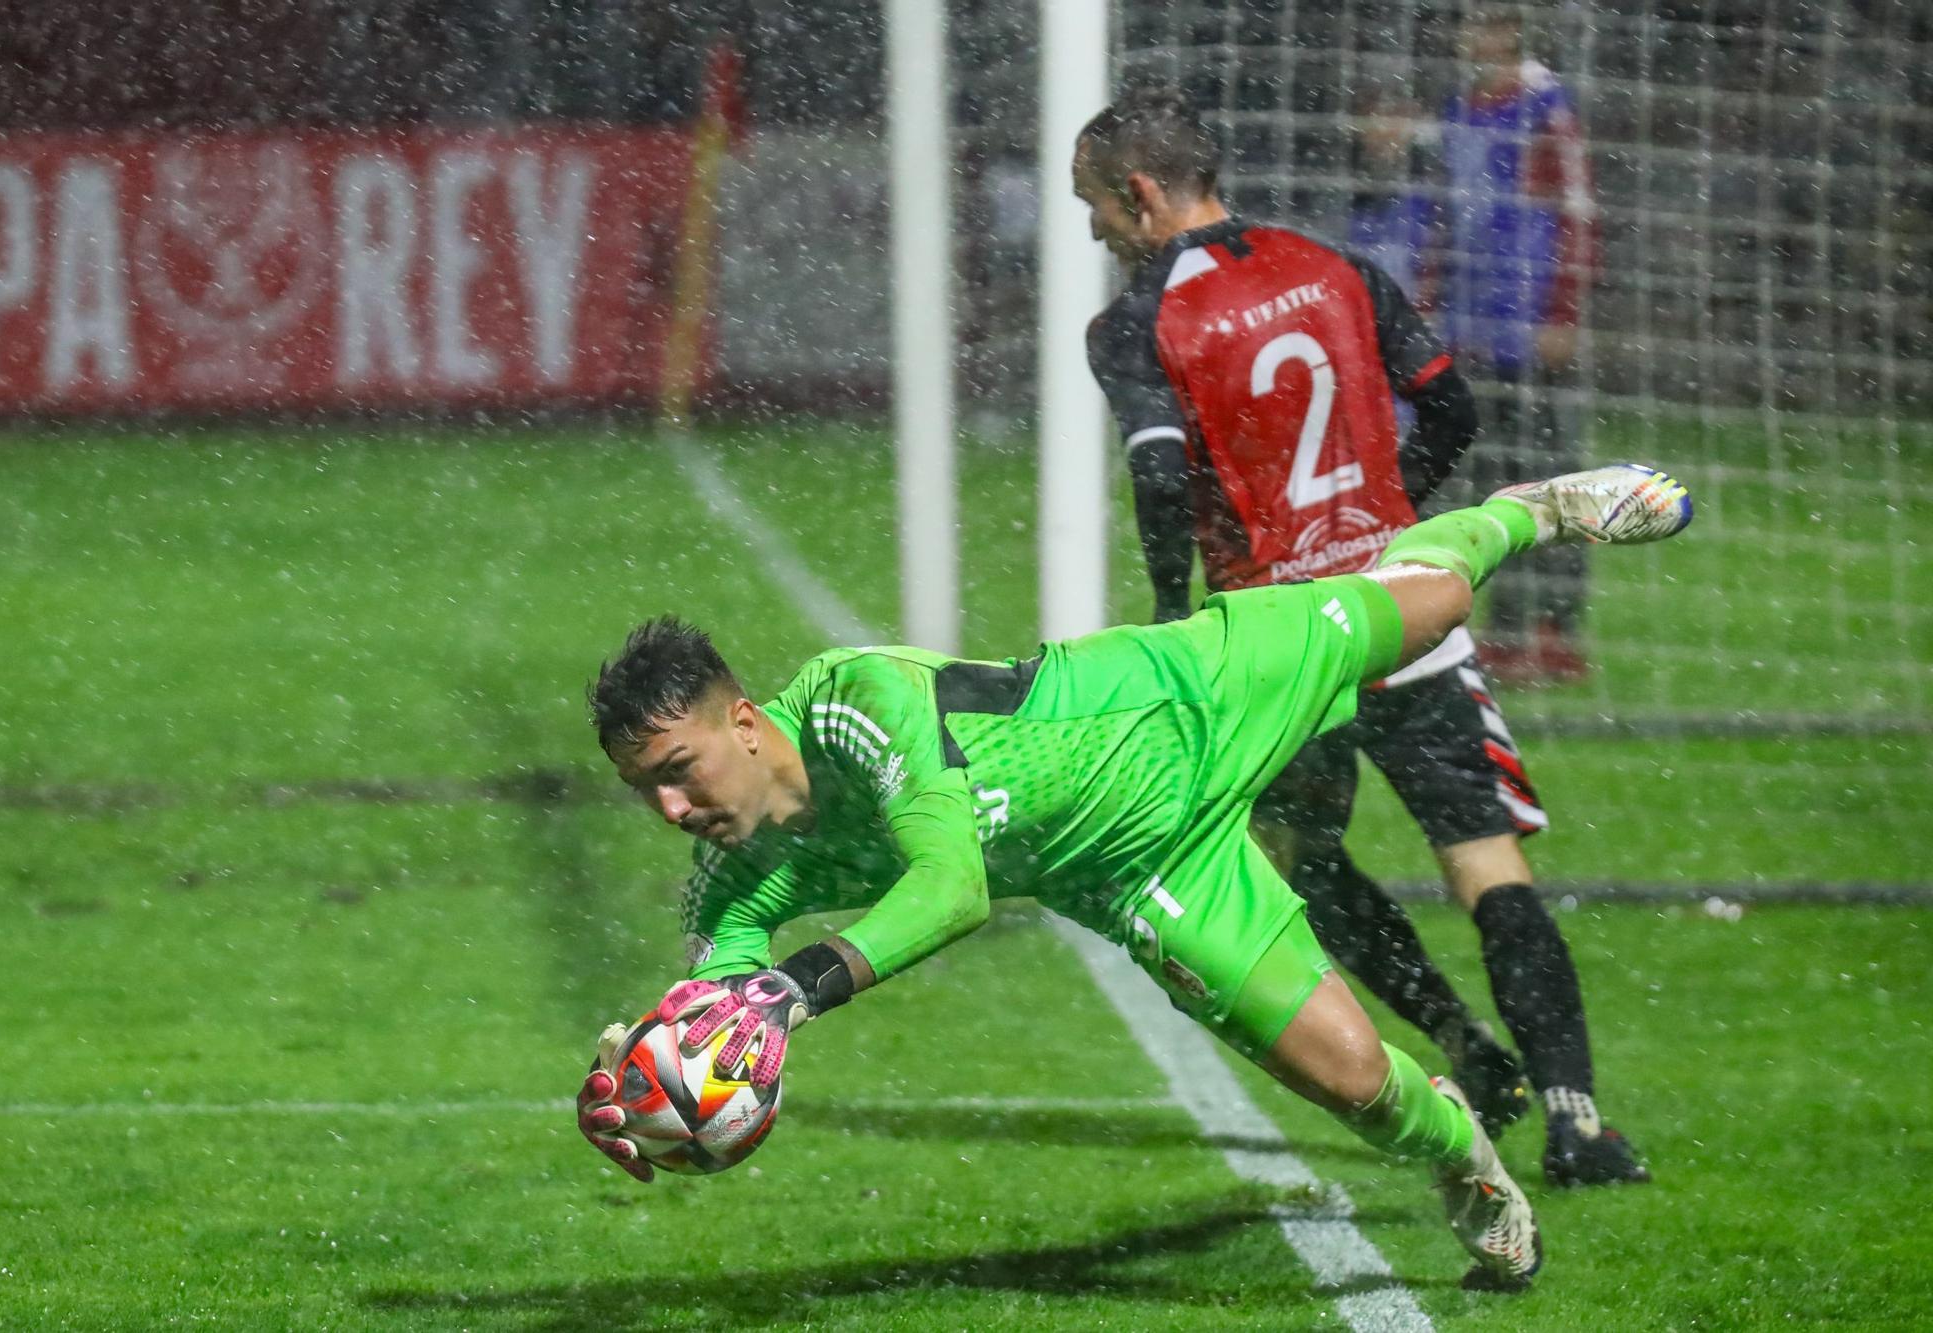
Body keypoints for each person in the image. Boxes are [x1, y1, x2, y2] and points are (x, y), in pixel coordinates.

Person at [576, 465, 1694, 1289]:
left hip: (1189, 689)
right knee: (1350, 1079)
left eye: (677, 769)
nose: (671, 807)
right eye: (645, 791)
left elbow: (951, 884)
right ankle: (1464, 1157)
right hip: (1136, 870)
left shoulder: (854, 701)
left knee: (1436, 607)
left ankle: (1524, 511)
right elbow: (719, 993)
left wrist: (794, 988)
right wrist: (659, 1078)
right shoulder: (730, 873)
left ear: (745, 720)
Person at [1077, 86, 1647, 1185]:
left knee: (1298, 859)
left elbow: (1156, 478)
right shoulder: (1333, 267)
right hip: (1402, 606)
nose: (1092, 230)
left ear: (1141, 196)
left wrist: (1167, 610)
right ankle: (1579, 1124)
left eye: (1094, 207)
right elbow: (1454, 413)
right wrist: (1390, 521)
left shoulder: (1134, 322)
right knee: (1490, 870)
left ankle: (1455, 1041)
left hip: (1284, 640)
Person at [1436, 5, 1602, 683]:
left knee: (1552, 475)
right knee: (1489, 481)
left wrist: (1563, 309)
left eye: (1481, 23)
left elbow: (1577, 211)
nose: (1467, 37)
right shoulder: (1459, 110)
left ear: (1510, 33)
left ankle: (1553, 630)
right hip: (1475, 327)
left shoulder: (1544, 108)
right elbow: (1446, 214)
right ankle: (1504, 631)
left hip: (1530, 325)